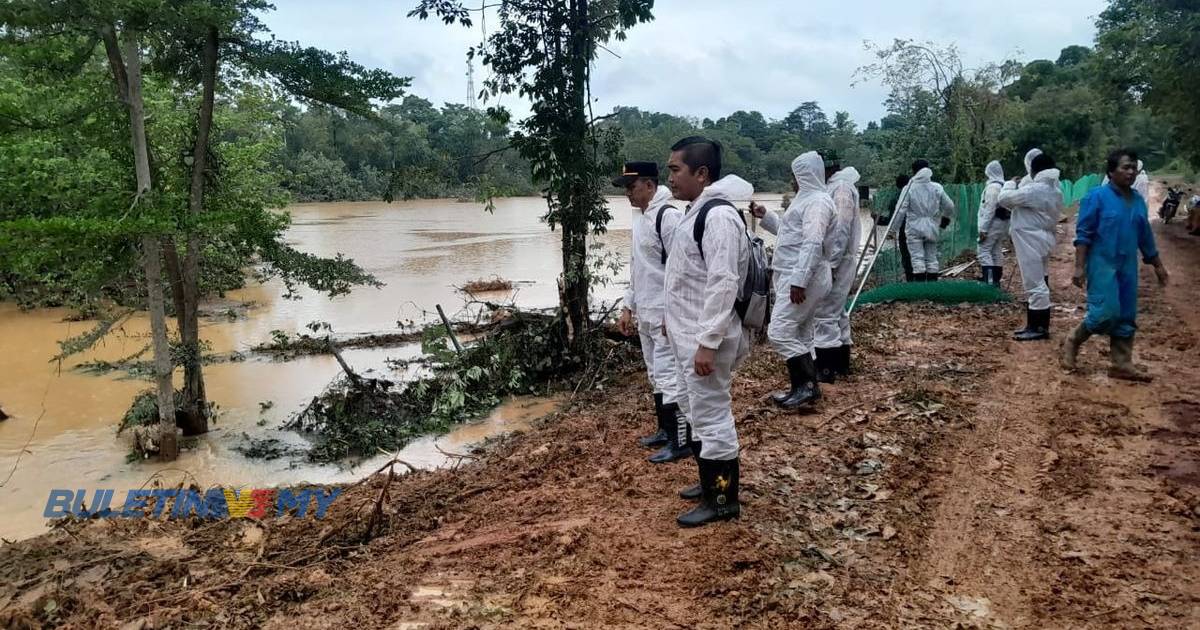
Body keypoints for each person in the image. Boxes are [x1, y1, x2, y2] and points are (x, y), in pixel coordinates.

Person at [663, 136, 752, 527]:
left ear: (702, 174)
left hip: (705, 340)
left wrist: (707, 343)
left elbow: (723, 282)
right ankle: (707, 481)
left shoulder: (716, 217)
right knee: (696, 409)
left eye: (675, 170)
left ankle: (722, 498)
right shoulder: (695, 210)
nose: (670, 178)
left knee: (713, 416)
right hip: (689, 336)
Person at [1062, 149, 1169, 380]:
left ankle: (1121, 363)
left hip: (1127, 266)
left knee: (1126, 314)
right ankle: (1073, 340)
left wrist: (1158, 265)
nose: (1130, 172)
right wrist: (1079, 267)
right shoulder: (1096, 197)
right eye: (1125, 167)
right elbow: (1083, 235)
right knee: (1105, 314)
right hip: (1102, 264)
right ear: (1111, 171)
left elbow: (1145, 237)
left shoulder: (1138, 201)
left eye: (1133, 168)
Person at [613, 161, 690, 464]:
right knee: (656, 373)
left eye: (631, 187)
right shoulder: (641, 219)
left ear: (649, 185)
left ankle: (679, 439)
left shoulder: (668, 218)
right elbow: (638, 268)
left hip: (665, 314)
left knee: (670, 376)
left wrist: (675, 314)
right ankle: (663, 430)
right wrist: (627, 306)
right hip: (646, 310)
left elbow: (681, 270)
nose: (627, 194)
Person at [750, 152, 836, 409]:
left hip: (803, 277)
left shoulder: (817, 202)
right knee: (801, 331)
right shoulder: (806, 200)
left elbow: (812, 242)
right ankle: (804, 388)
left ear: (804, 175)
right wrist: (765, 216)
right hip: (798, 274)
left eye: (794, 176)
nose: (791, 181)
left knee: (779, 330)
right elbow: (791, 233)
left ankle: (807, 387)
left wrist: (800, 280)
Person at [998, 152, 1063, 341]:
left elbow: (1004, 199)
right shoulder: (1055, 189)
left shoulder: (1035, 190)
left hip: (1029, 240)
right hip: (1042, 238)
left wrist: (1010, 184)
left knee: (1034, 283)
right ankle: (1034, 325)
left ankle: (1038, 327)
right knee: (1039, 279)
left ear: (1035, 171)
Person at [813, 163, 862, 382]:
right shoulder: (836, 187)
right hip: (839, 260)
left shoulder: (840, 188)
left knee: (825, 312)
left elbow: (840, 228)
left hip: (838, 261)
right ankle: (842, 363)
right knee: (837, 311)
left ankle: (826, 368)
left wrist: (830, 264)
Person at [895, 160, 955, 281]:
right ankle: (932, 286)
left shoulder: (909, 188)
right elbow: (949, 206)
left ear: (914, 172)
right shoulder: (937, 187)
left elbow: (901, 209)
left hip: (914, 226)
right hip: (932, 225)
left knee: (917, 258)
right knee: (932, 257)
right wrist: (945, 218)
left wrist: (894, 227)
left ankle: (920, 288)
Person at [977, 161, 1009, 286]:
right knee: (996, 251)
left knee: (983, 250)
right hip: (1003, 224)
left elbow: (989, 209)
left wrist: (983, 229)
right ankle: (996, 280)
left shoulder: (992, 188)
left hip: (992, 224)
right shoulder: (1004, 186)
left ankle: (989, 281)